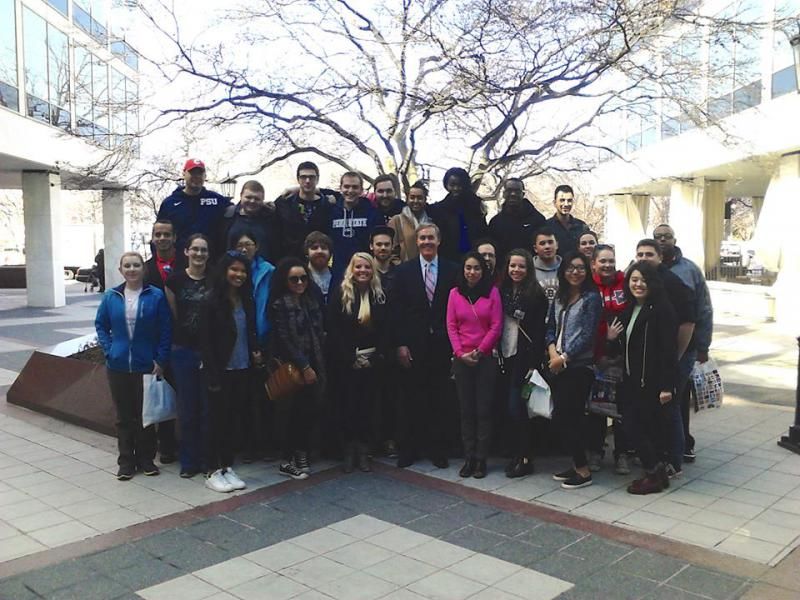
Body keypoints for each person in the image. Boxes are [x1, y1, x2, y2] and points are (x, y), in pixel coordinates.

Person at [95, 252, 172, 480]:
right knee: (124, 416)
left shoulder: (155, 296)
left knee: (145, 415)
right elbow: (101, 324)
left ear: (143, 269)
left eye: (136, 265)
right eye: (127, 265)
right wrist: (109, 350)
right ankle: (126, 461)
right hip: (118, 366)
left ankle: (146, 459)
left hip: (145, 364)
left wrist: (160, 359)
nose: (132, 269)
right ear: (120, 270)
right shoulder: (111, 297)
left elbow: (165, 330)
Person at [606, 261, 678, 495]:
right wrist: (611, 338)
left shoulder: (662, 309)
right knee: (632, 424)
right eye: (634, 280)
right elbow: (626, 347)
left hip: (651, 382)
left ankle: (654, 473)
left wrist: (667, 386)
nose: (638, 284)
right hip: (631, 380)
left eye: (643, 280)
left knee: (643, 427)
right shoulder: (629, 309)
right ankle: (654, 472)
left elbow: (669, 350)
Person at [391, 223, 459, 468]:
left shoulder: (453, 270)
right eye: (422, 238)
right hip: (413, 345)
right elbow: (396, 311)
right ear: (416, 242)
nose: (427, 242)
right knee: (410, 399)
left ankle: (437, 449)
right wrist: (400, 344)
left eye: (431, 237)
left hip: (442, 344)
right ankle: (409, 449)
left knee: (439, 399)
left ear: (438, 240)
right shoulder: (404, 272)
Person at [198, 251, 261, 493]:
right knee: (216, 421)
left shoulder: (247, 300)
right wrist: (213, 374)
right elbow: (205, 342)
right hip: (219, 371)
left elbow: (250, 332)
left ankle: (226, 465)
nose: (239, 275)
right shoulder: (211, 301)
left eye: (243, 271)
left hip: (242, 368)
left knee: (232, 421)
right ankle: (211, 469)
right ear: (224, 271)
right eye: (234, 269)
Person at [635, 238, 697, 476]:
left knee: (670, 407)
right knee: (658, 408)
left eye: (649, 254)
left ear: (660, 258)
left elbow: (688, 322)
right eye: (640, 254)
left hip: (677, 354)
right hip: (658, 356)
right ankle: (660, 454)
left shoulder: (672, 283)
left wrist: (676, 359)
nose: (644, 258)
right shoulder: (644, 281)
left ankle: (674, 460)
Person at [653, 224, 713, 464]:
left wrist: (703, 346)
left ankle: (682, 446)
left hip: (684, 348)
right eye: (658, 237)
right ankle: (662, 446)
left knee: (677, 397)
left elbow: (703, 309)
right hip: (656, 348)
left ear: (674, 239)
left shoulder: (689, 270)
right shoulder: (646, 269)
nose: (663, 240)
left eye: (667, 237)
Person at [328, 253, 389, 472]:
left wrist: (375, 357)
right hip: (347, 362)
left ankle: (364, 451)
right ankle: (349, 450)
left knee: (367, 407)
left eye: (367, 267)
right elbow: (334, 329)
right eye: (358, 267)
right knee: (348, 407)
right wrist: (350, 358)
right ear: (351, 269)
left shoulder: (379, 294)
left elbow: (385, 329)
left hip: (372, 361)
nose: (363, 271)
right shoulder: (341, 293)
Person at [546, 251, 601, 490]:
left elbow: (588, 335)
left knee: (570, 417)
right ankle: (576, 462)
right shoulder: (560, 296)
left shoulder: (591, 298)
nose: (575, 272)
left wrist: (565, 357)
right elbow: (549, 327)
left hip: (579, 366)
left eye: (580, 268)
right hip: (557, 364)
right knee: (562, 415)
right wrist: (552, 354)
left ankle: (583, 470)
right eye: (570, 268)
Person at [269, 257, 327, 480]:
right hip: (292, 367)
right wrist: (304, 365)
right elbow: (284, 339)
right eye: (294, 279)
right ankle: (286, 459)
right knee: (289, 414)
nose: (300, 283)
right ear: (285, 280)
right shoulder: (280, 305)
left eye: (304, 278)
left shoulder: (311, 301)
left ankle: (302, 453)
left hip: (316, 363)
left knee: (308, 412)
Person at [447, 252, 503, 478]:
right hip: (461, 359)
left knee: (483, 410)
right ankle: (468, 456)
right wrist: (460, 353)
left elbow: (496, 326)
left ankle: (481, 458)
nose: (472, 272)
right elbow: (451, 325)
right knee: (466, 410)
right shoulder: (454, 294)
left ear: (484, 271)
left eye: (477, 268)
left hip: (484, 358)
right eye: (468, 268)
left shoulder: (492, 293)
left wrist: (480, 352)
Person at [164, 234, 211, 479]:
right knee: (187, 408)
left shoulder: (215, 280)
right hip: (183, 351)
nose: (199, 254)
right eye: (195, 249)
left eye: (203, 250)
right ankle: (188, 460)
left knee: (206, 408)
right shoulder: (175, 281)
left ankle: (206, 459)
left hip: (209, 353)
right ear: (186, 252)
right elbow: (174, 316)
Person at [498, 249, 548, 478]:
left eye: (521, 267)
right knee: (509, 409)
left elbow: (538, 333)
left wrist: (533, 363)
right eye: (512, 266)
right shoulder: (501, 291)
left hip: (524, 358)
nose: (516, 270)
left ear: (528, 270)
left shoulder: (536, 295)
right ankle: (515, 454)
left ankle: (525, 457)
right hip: (504, 354)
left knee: (516, 408)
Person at [230, 231, 275, 462]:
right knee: (241, 397)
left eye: (248, 244)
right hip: (238, 342)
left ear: (257, 246)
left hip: (264, 339)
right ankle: (242, 444)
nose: (244, 248)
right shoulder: (230, 272)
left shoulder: (268, 271)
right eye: (240, 245)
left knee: (265, 395)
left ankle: (265, 444)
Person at [588, 244, 630, 475]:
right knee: (597, 407)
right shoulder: (588, 287)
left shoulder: (625, 283)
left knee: (622, 407)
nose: (607, 265)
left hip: (623, 358)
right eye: (602, 261)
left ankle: (621, 453)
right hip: (598, 357)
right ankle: (595, 450)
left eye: (611, 260)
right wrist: (604, 342)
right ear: (593, 263)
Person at [143, 219, 180, 463]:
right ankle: (165, 446)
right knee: (162, 389)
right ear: (153, 238)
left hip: (186, 338)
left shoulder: (187, 263)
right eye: (158, 234)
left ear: (175, 237)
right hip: (157, 339)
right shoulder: (145, 269)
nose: (163, 238)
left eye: (167, 234)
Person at [157, 159, 231, 255]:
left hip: (211, 262)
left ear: (205, 176)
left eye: (200, 173)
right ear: (184, 174)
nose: (196, 177)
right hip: (179, 262)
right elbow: (159, 233)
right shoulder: (170, 203)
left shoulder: (217, 200)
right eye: (192, 173)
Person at [369, 226, 400, 457]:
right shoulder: (363, 272)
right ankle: (370, 440)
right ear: (372, 246)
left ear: (393, 247)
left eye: (386, 244)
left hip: (391, 343)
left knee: (391, 394)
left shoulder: (399, 274)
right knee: (370, 395)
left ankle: (390, 439)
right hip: (367, 343)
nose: (382, 248)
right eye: (378, 244)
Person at [274, 162, 339, 259]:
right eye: (303, 177)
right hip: (291, 261)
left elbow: (343, 196)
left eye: (311, 177)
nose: (307, 181)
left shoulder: (327, 205)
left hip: (318, 261)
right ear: (298, 179)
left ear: (317, 179)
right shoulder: (284, 204)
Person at [428, 167, 488, 262]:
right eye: (452, 185)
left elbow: (483, 233)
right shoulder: (438, 209)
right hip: (447, 258)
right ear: (446, 185)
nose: (456, 188)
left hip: (473, 258)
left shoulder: (476, 207)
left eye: (460, 185)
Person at [330, 172, 381, 279]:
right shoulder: (331, 212)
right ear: (340, 188)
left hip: (364, 272)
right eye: (346, 187)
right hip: (339, 272)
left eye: (355, 187)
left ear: (361, 190)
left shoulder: (372, 212)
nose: (350, 191)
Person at [218, 180, 280, 264]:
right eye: (248, 197)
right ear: (241, 195)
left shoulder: (271, 219)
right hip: (232, 271)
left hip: (263, 273)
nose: (252, 201)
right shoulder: (228, 216)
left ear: (263, 200)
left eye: (257, 199)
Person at [487, 178, 546, 264]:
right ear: (504, 194)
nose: (513, 194)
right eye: (509, 190)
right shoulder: (495, 222)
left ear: (523, 194)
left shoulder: (538, 220)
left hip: (532, 270)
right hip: (503, 271)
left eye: (517, 191)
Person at [388, 181, 433, 262]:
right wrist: (401, 268)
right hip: (403, 271)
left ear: (425, 199)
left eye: (419, 198)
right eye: (412, 197)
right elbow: (391, 251)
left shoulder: (430, 223)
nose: (415, 201)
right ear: (407, 199)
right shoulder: (397, 221)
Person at [545, 185, 589, 256]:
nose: (566, 204)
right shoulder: (546, 226)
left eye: (569, 200)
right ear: (554, 202)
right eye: (562, 200)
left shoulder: (581, 226)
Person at [304, 231, 336, 305]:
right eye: (314, 248)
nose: (319, 251)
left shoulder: (338, 277)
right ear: (306, 253)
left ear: (330, 253)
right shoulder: (302, 277)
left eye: (324, 248)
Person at [533, 227, 562, 307]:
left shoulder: (567, 268)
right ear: (535, 248)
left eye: (550, 242)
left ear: (557, 245)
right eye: (542, 243)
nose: (547, 247)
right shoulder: (528, 269)